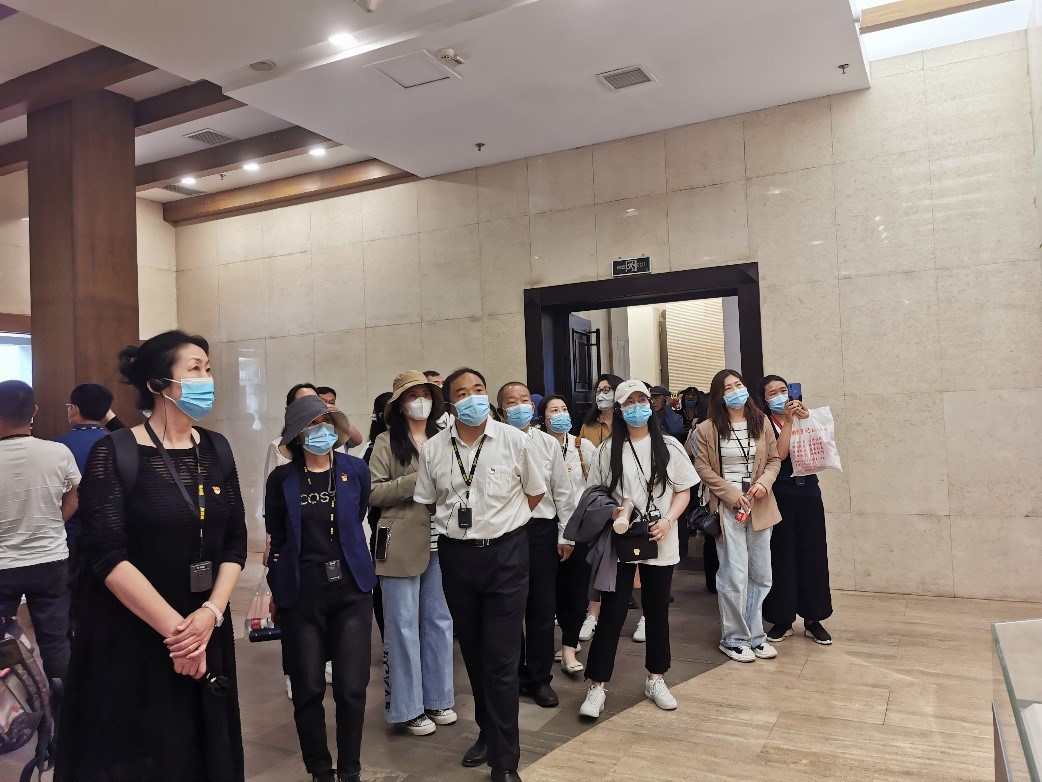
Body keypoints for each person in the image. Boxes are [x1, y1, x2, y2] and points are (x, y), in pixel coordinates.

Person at [56, 330, 247, 782]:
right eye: (195, 369)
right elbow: (106, 554)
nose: (207, 378)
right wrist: (180, 635)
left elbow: (235, 542)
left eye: (208, 368)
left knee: (203, 751)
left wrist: (210, 615)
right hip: (136, 633)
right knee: (148, 753)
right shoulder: (115, 451)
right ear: (160, 383)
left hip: (205, 626)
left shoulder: (217, 448)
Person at [414, 368, 546, 782]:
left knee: (502, 660)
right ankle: (488, 733)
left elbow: (535, 492)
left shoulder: (514, 440)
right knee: (472, 651)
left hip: (506, 555)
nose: (471, 398)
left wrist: (503, 523)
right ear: (450, 403)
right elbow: (428, 500)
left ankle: (505, 763)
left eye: (478, 390)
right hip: (457, 557)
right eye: (461, 393)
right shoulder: (434, 448)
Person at [266, 395, 375, 782]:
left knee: (351, 687)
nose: (321, 430)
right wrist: (275, 588)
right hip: (301, 594)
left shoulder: (355, 470)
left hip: (351, 591)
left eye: (327, 422)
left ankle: (350, 769)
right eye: (312, 424)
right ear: (297, 434)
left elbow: (358, 515)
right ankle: (320, 770)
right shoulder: (281, 479)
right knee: (308, 688)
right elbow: (278, 537)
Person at [577, 380, 697, 720]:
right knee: (613, 613)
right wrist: (615, 513)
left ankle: (656, 678)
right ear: (618, 409)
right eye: (628, 402)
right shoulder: (607, 449)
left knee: (656, 611)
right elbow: (594, 494)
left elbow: (684, 490)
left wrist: (669, 520)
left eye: (642, 400)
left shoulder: (669, 446)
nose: (637, 407)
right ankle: (597, 685)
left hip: (660, 537)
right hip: (621, 540)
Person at [369, 371, 455, 737]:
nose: (420, 401)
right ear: (399, 405)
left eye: (426, 394)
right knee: (402, 626)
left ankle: (439, 698)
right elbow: (373, 492)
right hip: (400, 542)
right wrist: (416, 479)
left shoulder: (445, 438)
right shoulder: (386, 442)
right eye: (412, 395)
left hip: (442, 541)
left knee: (440, 622)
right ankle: (407, 707)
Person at [694, 369, 782, 664]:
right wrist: (731, 494)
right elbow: (703, 468)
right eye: (728, 388)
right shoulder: (707, 429)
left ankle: (755, 635)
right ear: (719, 396)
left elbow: (773, 460)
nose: (735, 391)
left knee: (761, 574)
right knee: (734, 575)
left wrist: (763, 483)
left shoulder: (761, 422)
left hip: (760, 504)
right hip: (728, 508)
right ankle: (733, 638)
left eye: (738, 385)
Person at [497, 382, 575, 709]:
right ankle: (512, 675)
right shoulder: (493, 442)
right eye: (511, 402)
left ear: (533, 407)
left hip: (541, 531)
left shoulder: (547, 443)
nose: (519, 406)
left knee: (542, 607)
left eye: (524, 400)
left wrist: (565, 535)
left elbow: (563, 491)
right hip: (504, 532)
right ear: (501, 411)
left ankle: (539, 678)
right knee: (507, 607)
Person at [0, 380, 80, 687]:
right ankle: (64, 707)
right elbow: (75, 495)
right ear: (34, 410)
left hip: (3, 565)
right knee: (57, 642)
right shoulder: (58, 452)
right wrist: (54, 522)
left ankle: (12, 705)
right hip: (51, 561)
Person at [757, 376, 833, 646]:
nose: (780, 396)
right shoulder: (764, 424)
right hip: (780, 494)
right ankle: (782, 619)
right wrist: (788, 423)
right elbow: (779, 455)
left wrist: (808, 418)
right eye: (772, 393)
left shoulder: (806, 417)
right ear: (764, 399)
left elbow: (824, 447)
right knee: (781, 555)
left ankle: (814, 618)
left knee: (813, 554)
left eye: (783, 390)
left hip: (809, 490)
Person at [538, 395, 596, 676]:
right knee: (545, 592)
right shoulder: (535, 446)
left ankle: (569, 647)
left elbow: (597, 485)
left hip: (578, 529)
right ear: (543, 418)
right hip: (545, 527)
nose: (560, 414)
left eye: (563, 409)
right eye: (554, 410)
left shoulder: (582, 447)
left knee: (574, 590)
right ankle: (542, 648)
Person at [576, 374, 623, 642]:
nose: (602, 394)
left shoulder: (626, 420)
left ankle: (644, 617)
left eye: (608, 389)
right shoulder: (589, 425)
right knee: (597, 556)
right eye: (599, 390)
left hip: (625, 496)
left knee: (631, 557)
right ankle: (592, 614)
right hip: (599, 496)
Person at [55, 383, 113, 584]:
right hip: (109, 530)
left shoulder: (57, 445)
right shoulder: (118, 443)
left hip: (68, 530)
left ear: (74, 409)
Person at [579, 374, 623, 448]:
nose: (600, 396)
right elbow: (580, 450)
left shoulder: (626, 422)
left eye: (606, 390)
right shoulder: (588, 425)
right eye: (598, 391)